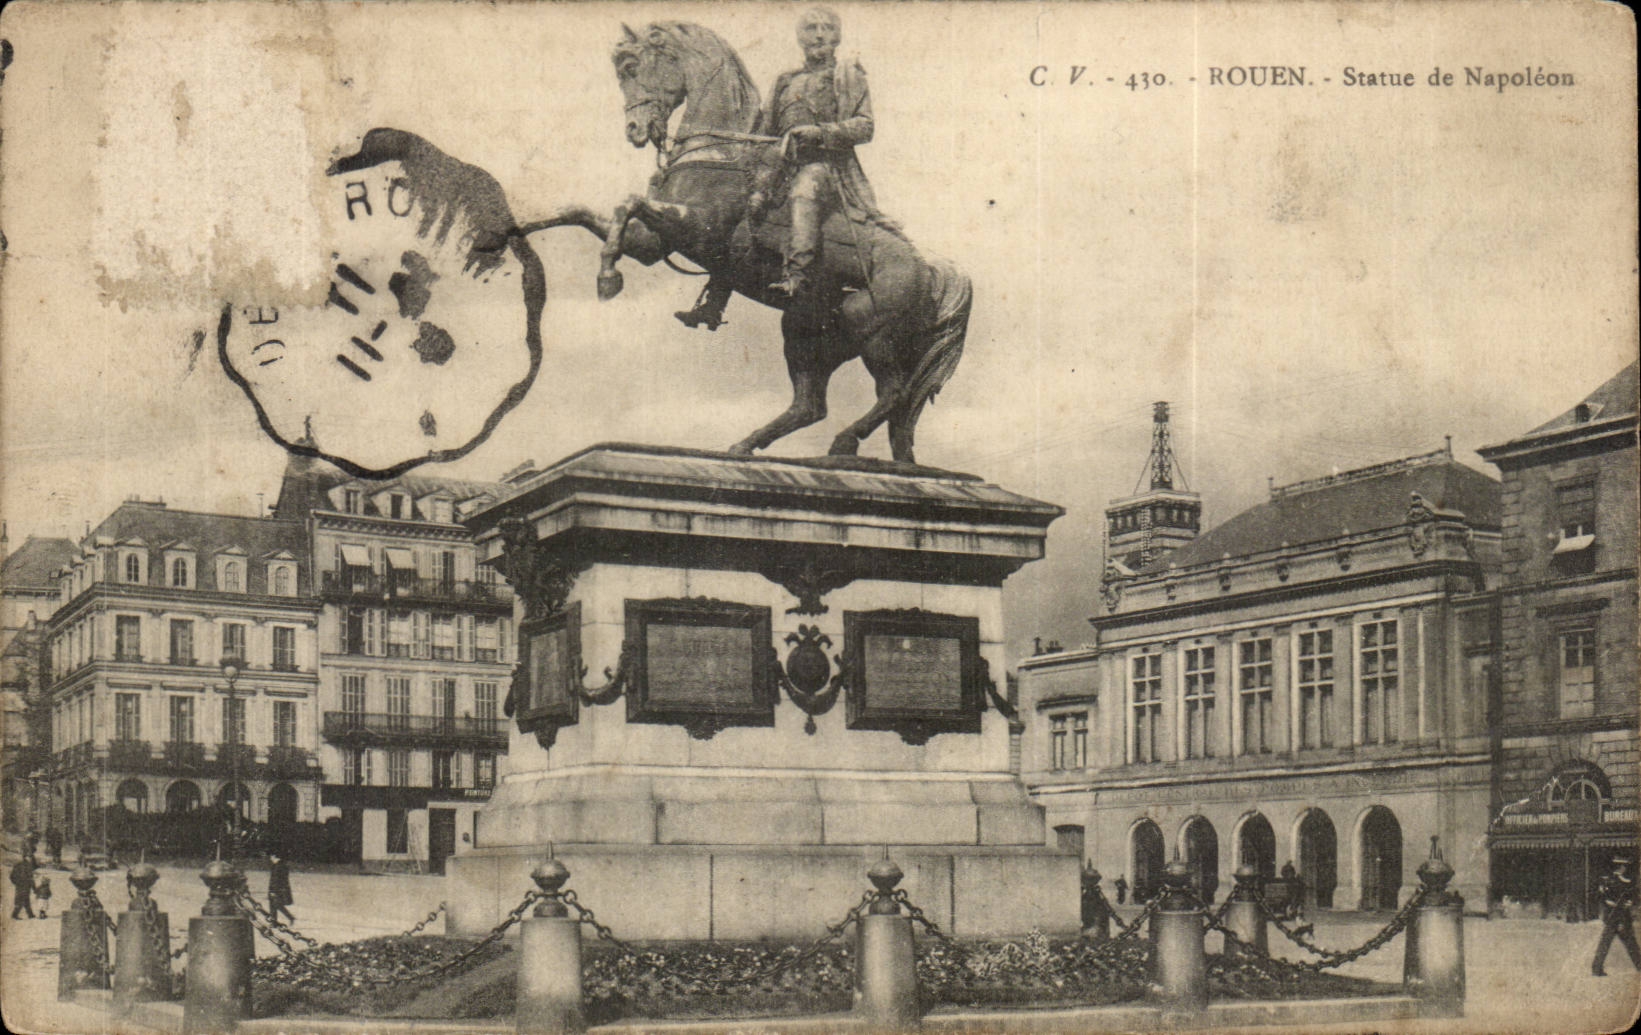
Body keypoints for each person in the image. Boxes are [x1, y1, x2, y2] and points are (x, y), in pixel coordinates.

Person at [674, 6, 896, 329]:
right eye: (811, 28)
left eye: (826, 28)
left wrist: (818, 133)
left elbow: (864, 126)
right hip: (782, 167)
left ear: (837, 36)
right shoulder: (785, 81)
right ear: (800, 37)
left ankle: (797, 276)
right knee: (743, 204)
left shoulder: (848, 75)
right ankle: (714, 302)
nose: (819, 34)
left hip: (828, 168)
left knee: (805, 189)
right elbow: (767, 131)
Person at [1592, 856, 1641, 976]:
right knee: (1629, 943)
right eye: (1623, 866)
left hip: (1616, 916)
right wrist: (1612, 903)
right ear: (1620, 867)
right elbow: (1603, 897)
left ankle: (1597, 968)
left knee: (1607, 943)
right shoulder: (1618, 881)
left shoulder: (1613, 881)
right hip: (1618, 916)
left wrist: (1630, 902)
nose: (1624, 868)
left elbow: (1633, 896)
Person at [267, 852, 295, 927]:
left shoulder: (278, 867)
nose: (270, 858)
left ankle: (290, 917)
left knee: (276, 905)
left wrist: (273, 891)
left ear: (275, 857)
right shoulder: (281, 865)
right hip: (281, 889)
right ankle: (274, 922)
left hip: (277, 889)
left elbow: (276, 880)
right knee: (273, 905)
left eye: (271, 857)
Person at [9, 853, 36, 919]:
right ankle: (15, 914)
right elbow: (30, 879)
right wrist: (34, 888)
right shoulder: (26, 866)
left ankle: (30, 914)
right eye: (29, 857)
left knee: (25, 899)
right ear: (25, 857)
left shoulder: (20, 865)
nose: (30, 859)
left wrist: (17, 883)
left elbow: (12, 876)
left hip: (22, 886)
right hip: (23, 886)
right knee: (21, 900)